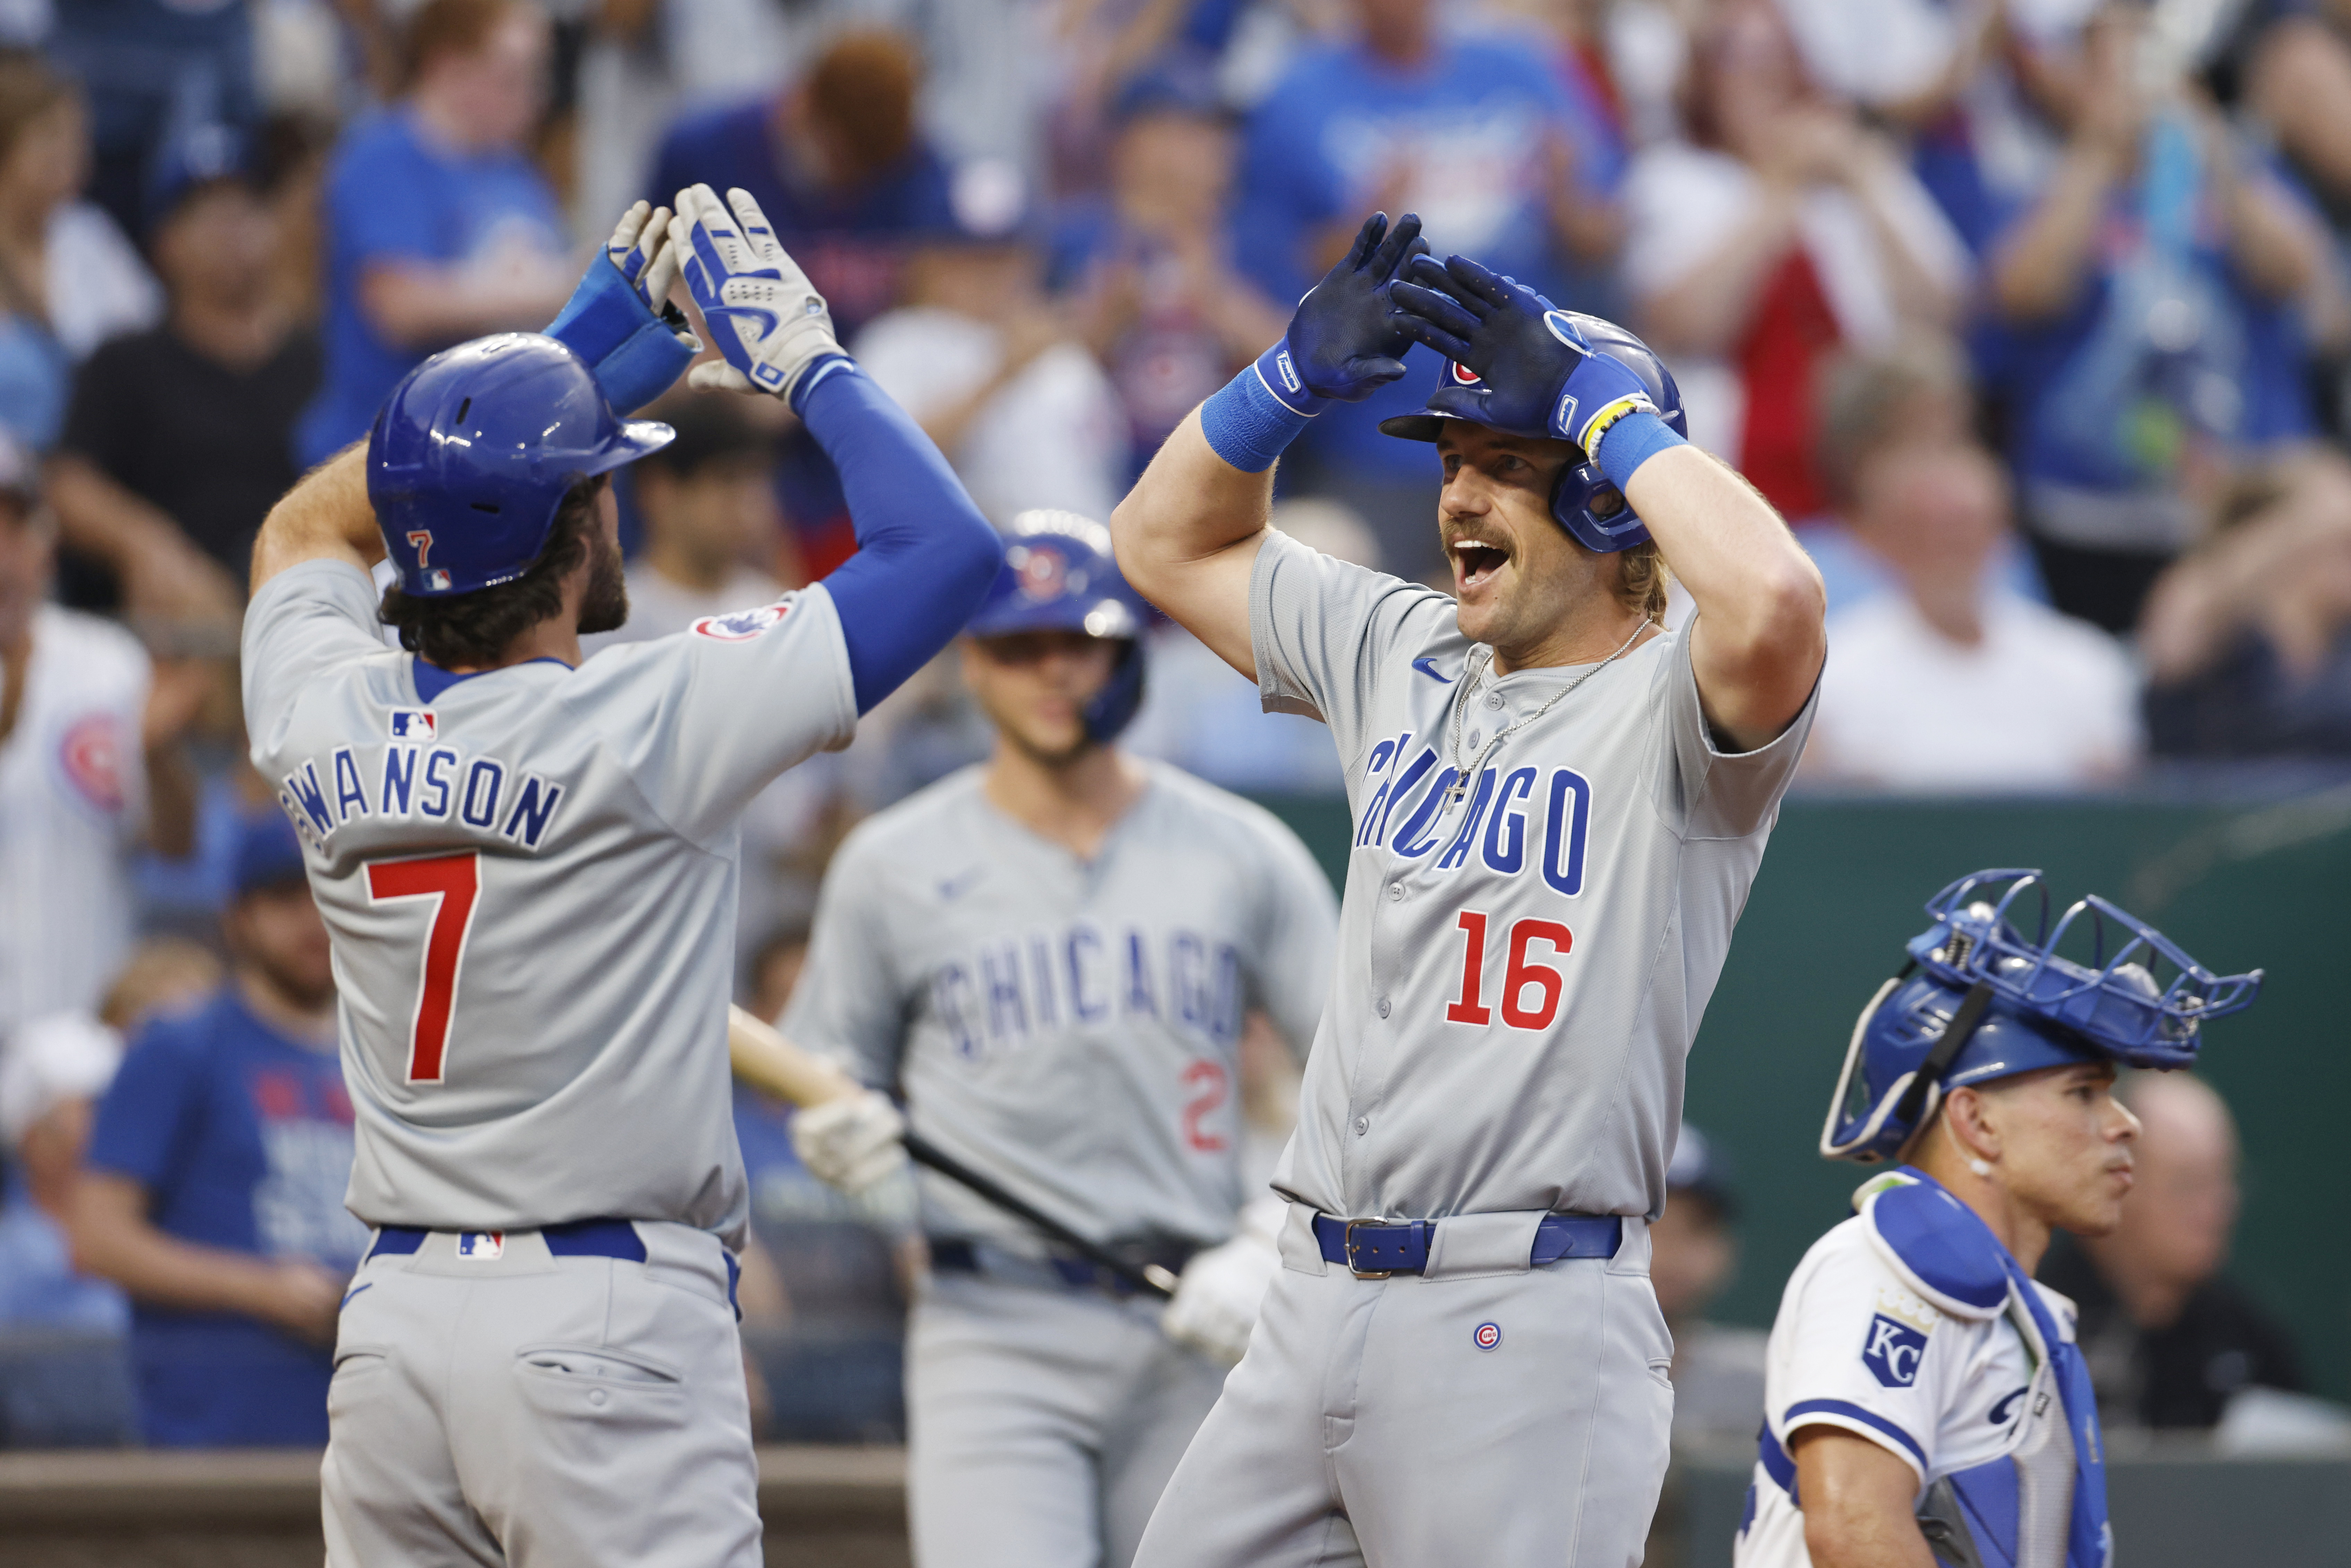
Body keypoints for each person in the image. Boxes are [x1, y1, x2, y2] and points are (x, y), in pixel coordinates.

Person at [242, 184, 999, 1563]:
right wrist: (812, 365)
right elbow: (950, 553)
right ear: (572, 528)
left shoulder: (320, 706)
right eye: (599, 478)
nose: (618, 502)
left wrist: (547, 368)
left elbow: (303, 531)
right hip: (598, 1320)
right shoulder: (647, 716)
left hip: (395, 1326)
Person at [1110, 207, 1825, 1568]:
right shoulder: (1398, 642)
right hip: (1307, 1291)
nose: (1456, 497)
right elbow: (1159, 546)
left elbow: (1779, 600)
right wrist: (1283, 386)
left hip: (1523, 1314)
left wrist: (1605, 412)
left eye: (1505, 464)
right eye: (1450, 460)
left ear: (1604, 495)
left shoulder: (1679, 701)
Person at [782, 508, 1339, 1568]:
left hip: (1196, 1316)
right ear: (972, 663)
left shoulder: (1241, 851)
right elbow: (829, 1069)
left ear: (1127, 654)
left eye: (1077, 644)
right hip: (988, 1320)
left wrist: (1273, 1242)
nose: (1051, 672)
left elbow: (1357, 1070)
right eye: (1017, 646)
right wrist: (848, 1149)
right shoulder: (891, 861)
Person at [1737, 868, 2261, 1568]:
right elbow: (1855, 1529)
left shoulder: (2009, 1305)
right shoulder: (1882, 1266)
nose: (2125, 1124)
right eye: (2083, 1093)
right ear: (1977, 1120)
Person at [1231, 0, 1629, 574]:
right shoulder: (1297, 93)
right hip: (1374, 442)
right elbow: (1269, 270)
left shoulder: (1521, 66)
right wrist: (1363, 227)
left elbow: (1605, 235)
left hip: (1528, 425)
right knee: (1339, 596)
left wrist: (1567, 202)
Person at [70, 813, 364, 1446]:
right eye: (287, 898)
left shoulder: (381, 1058)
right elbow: (97, 1235)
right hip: (216, 1439)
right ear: (238, 918)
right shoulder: (181, 1045)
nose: (313, 920)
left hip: (362, 1431)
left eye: (330, 894)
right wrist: (261, 1288)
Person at [1620, 0, 1966, 520]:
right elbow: (1687, 323)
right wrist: (1777, 192)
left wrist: (1864, 186)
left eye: (1782, 57)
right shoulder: (1672, 180)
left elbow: (1941, 314)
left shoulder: (1864, 171)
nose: (1770, 77)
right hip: (1732, 480)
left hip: (1869, 477)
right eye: (1743, 59)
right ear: (1704, 82)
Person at [51, 127, 319, 621]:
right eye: (208, 214)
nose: (232, 230)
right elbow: (70, 484)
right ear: (165, 242)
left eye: (246, 209)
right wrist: (146, 544)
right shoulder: (127, 361)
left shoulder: (318, 358)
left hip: (305, 599)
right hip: (184, 610)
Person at [296, 0, 573, 465]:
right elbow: (399, 307)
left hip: (490, 455)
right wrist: (559, 287)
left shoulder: (519, 173)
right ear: (450, 69)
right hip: (385, 454)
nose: (534, 96)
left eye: (538, 75)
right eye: (513, 75)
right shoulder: (380, 158)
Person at [1, 426, 201, 1051]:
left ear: (45, 545)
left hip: (78, 1054)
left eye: (15, 527)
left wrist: (158, 751)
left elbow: (175, 846)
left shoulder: (109, 662)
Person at [1804, 435, 2139, 791]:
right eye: (1927, 529)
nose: (1949, 548)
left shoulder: (2085, 665)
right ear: (1890, 539)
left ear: (2001, 532)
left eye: (1965, 526)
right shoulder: (1830, 677)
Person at [2041, 1073, 2305, 1430]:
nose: (2217, 1210)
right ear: (2117, 1182)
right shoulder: (2044, 1327)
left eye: (2224, 1180)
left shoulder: (2246, 1339)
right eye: (2188, 1185)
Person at [855, 194, 1128, 527]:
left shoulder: (1060, 351)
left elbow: (1106, 469)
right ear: (928, 267)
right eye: (973, 261)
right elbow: (891, 464)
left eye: (1008, 258)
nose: (996, 276)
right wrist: (1001, 375)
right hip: (993, 554)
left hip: (1090, 548)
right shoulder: (899, 340)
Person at [0, 49, 161, 457]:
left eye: (78, 139)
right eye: (52, 137)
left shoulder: (90, 236)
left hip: (97, 467)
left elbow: (151, 351)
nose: (72, 157)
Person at [1653, 1122, 1769, 1445]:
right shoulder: (1530, 1371)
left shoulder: (1777, 1385)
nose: (1670, 1253)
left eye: (1695, 1229)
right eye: (1648, 1227)